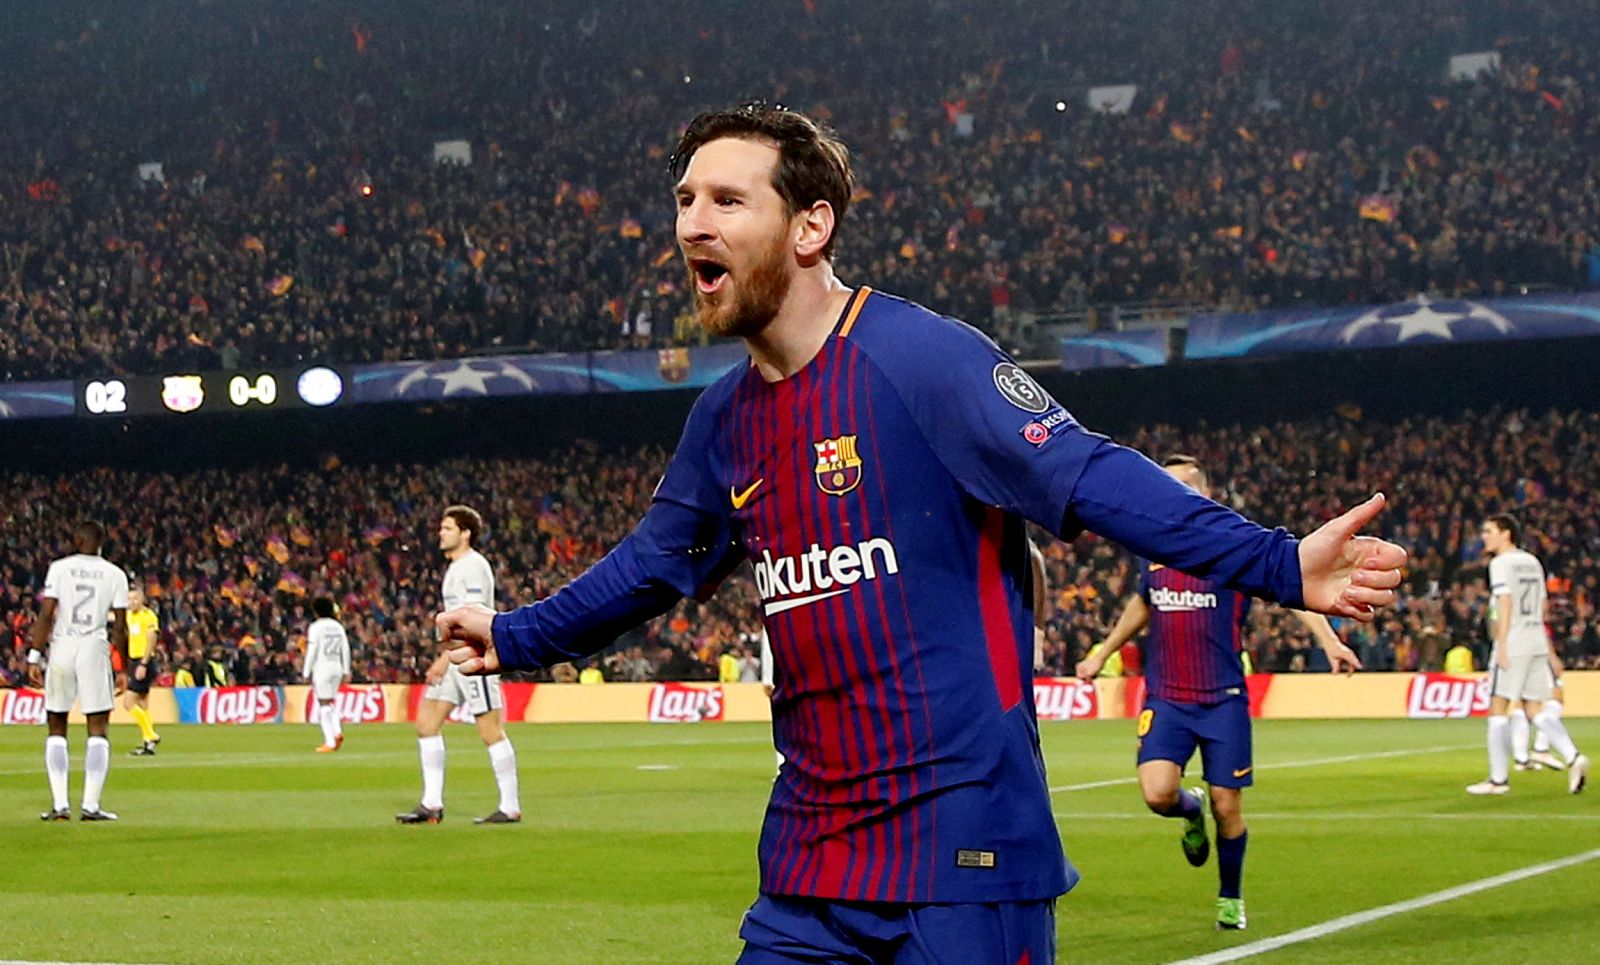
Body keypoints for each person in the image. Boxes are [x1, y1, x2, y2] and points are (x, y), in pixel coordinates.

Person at [435, 105, 1406, 963]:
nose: (692, 221)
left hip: (963, 857)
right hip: (809, 865)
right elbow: (655, 562)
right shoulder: (722, 423)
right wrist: (513, 635)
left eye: (728, 199)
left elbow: (1085, 470)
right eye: (685, 199)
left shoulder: (921, 360)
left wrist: (1275, 561)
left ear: (810, 223)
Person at [1075, 454, 1362, 931]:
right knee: (1156, 794)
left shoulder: (1230, 546)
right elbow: (1143, 604)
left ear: (1206, 493)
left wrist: (1330, 641)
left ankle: (1230, 896)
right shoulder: (1153, 548)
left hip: (1222, 698)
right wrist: (1101, 653)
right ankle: (1191, 810)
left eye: (1185, 485)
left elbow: (1289, 587)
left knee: (1229, 808)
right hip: (1166, 698)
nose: (1172, 494)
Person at [397, 506, 522, 825]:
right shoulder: (456, 568)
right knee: (426, 723)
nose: (441, 532)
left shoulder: (473, 566)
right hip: (455, 657)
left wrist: (442, 658)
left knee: (490, 730)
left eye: (448, 527)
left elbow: (475, 612)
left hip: (475, 656)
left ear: (465, 533)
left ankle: (510, 807)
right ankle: (431, 804)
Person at [1467, 515, 1589, 795]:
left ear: (1506, 533)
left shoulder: (1500, 564)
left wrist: (1503, 644)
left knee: (1498, 708)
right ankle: (1573, 756)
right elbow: (1542, 608)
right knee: (1534, 708)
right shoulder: (1533, 562)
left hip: (1515, 639)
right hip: (1535, 638)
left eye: (1489, 531)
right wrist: (1549, 650)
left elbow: (1505, 602)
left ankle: (1498, 780)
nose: (1484, 536)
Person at [30, 521, 130, 821]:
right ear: (102, 543)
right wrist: (122, 666)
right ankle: (90, 805)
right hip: (93, 647)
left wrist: (35, 655)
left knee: (56, 724)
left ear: (75, 539)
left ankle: (60, 805)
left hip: (62, 647)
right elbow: (121, 627)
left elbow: (47, 613)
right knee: (97, 727)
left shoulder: (59, 568)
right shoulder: (115, 574)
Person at [303, 597, 352, 753]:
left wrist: (306, 671)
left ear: (316, 611)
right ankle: (337, 732)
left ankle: (329, 742)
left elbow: (312, 651)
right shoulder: (338, 626)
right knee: (330, 702)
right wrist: (347, 670)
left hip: (322, 667)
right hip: (336, 667)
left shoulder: (315, 627)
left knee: (323, 704)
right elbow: (345, 649)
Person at [123, 586, 162, 756]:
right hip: (134, 661)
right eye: (129, 599)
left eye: (135, 599)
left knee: (128, 702)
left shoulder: (149, 616)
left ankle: (151, 735)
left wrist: (144, 664)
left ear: (142, 600)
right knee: (142, 703)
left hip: (144, 661)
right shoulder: (128, 615)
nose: (132, 602)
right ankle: (148, 744)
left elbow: (152, 640)